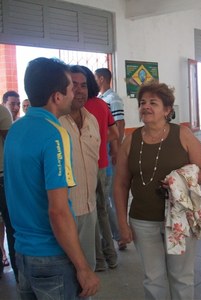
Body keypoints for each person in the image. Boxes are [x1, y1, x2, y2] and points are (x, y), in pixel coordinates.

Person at [4, 57, 100, 298]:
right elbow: (58, 210)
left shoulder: (16, 129)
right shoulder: (55, 134)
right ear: (57, 97)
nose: (75, 93)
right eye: (70, 88)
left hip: (22, 253)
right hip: (50, 256)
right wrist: (82, 266)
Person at [114, 80, 201, 300]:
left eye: (153, 103)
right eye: (142, 102)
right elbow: (120, 184)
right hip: (142, 220)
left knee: (181, 277)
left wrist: (181, 181)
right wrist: (122, 222)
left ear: (167, 110)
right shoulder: (130, 141)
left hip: (179, 219)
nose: (146, 106)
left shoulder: (183, 135)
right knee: (153, 278)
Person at [59, 65, 101, 271]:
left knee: (88, 268)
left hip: (88, 209)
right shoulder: (55, 123)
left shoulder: (92, 121)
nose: (79, 90)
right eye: (73, 85)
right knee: (66, 273)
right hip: (63, 213)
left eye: (83, 85)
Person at [80, 65, 119, 271]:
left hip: (85, 168)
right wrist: (101, 142)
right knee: (102, 210)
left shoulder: (78, 108)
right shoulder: (102, 105)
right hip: (102, 165)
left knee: (90, 213)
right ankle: (111, 257)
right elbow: (114, 134)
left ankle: (99, 261)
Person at [95, 67, 126, 250]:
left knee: (111, 197)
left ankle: (121, 234)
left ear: (101, 78)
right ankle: (119, 233)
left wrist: (116, 152)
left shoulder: (113, 99)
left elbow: (119, 126)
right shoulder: (101, 99)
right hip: (106, 151)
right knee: (108, 198)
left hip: (111, 153)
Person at [0, 105, 15, 279]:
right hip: (3, 178)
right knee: (12, 228)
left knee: (11, 227)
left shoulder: (2, 112)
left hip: (3, 178)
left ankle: (19, 272)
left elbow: (9, 143)